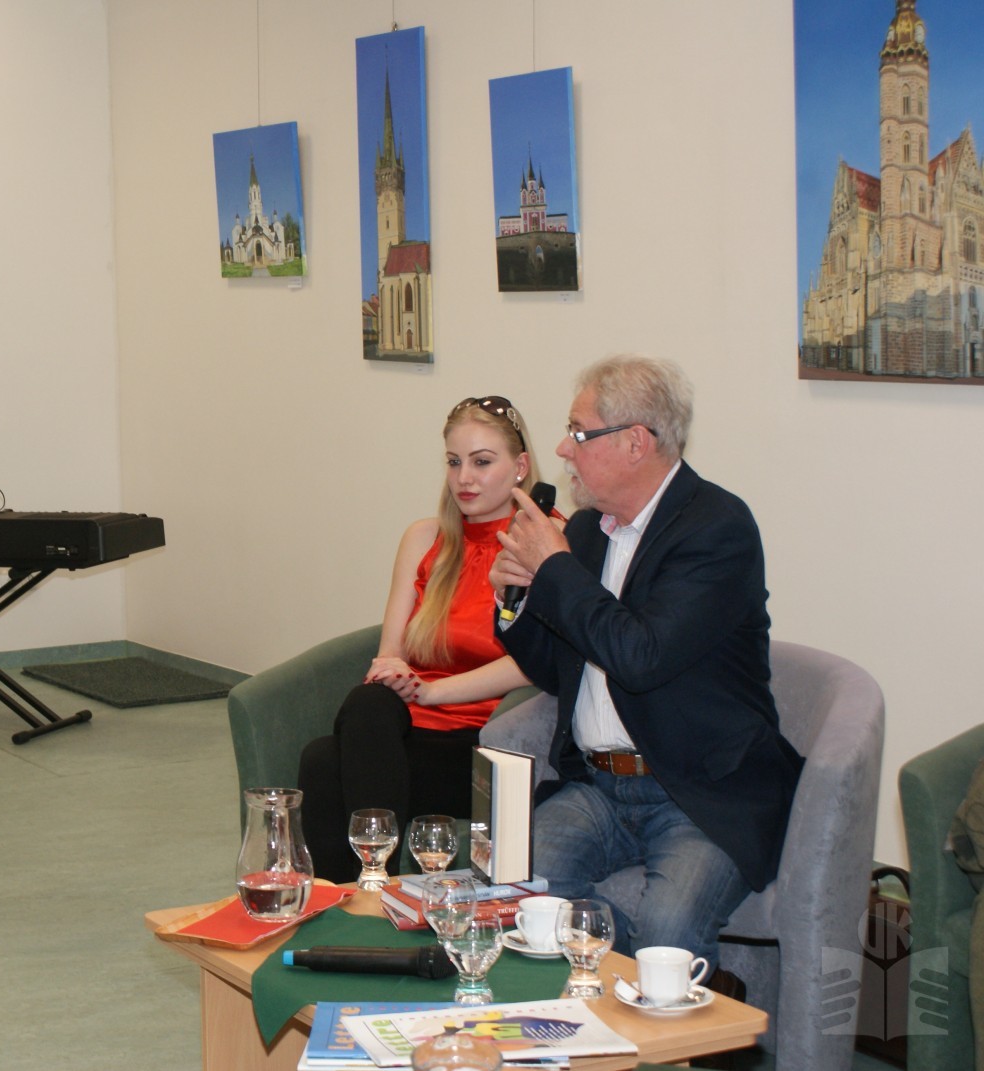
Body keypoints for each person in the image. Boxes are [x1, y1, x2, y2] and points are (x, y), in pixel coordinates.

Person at [491, 354, 804, 980]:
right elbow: (556, 670)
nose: (563, 449)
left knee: (666, 931)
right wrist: (515, 601)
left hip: (696, 791)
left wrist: (556, 570)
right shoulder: (587, 532)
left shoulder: (717, 528)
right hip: (597, 787)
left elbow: (639, 656)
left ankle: (683, 1011)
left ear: (636, 442)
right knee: (513, 899)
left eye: (578, 433)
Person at [298, 396, 555, 882]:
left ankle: (365, 892)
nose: (464, 479)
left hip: (482, 742)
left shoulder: (547, 543)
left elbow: (535, 662)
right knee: (362, 712)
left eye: (482, 462)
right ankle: (369, 890)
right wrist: (394, 671)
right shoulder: (424, 538)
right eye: (454, 462)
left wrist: (433, 691)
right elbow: (390, 651)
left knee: (323, 762)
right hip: (407, 729)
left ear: (520, 467)